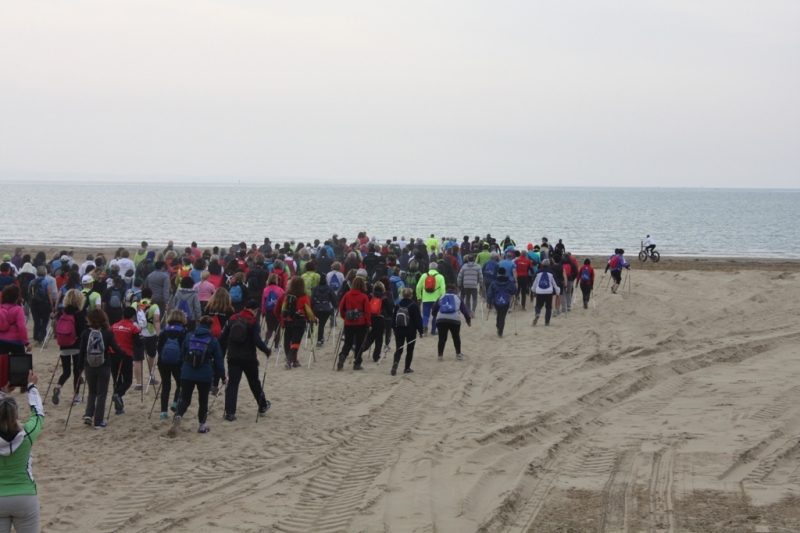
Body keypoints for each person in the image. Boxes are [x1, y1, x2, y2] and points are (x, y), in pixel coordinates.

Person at [168, 316, 227, 437]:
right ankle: (201, 426)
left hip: (187, 372)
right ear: (211, 326)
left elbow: (182, 353)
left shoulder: (189, 336)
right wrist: (223, 377)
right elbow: (218, 361)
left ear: (199, 324)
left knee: (185, 399)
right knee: (203, 400)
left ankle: (178, 416)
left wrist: (181, 367)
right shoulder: (213, 340)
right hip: (204, 374)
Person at [0, 370, 43, 533]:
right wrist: (32, 387)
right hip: (25, 496)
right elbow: (38, 414)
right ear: (17, 416)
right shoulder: (27, 436)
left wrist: (2, 393)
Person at [221, 300, 271, 421]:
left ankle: (230, 413)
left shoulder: (232, 318)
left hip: (232, 356)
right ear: (255, 310)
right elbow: (257, 341)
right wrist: (267, 351)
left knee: (232, 384)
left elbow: (223, 337)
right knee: (254, 382)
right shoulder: (253, 321)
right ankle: (262, 405)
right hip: (249, 358)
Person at [79, 309, 123, 428]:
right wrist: (124, 354)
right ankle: (98, 420)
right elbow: (115, 348)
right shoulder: (107, 333)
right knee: (102, 393)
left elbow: (82, 351)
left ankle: (88, 415)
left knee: (92, 391)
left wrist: (80, 367)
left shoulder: (85, 333)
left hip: (89, 365)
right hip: (104, 365)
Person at [52, 289, 87, 406]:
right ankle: (76, 396)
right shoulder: (79, 313)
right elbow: (83, 332)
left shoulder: (62, 312)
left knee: (66, 371)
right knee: (77, 371)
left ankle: (58, 386)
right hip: (76, 345)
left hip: (63, 344)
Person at [276, 277, 315, 369]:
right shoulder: (304, 297)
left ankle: (289, 359)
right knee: (295, 342)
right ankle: (290, 360)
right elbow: (308, 310)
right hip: (299, 321)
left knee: (287, 340)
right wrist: (314, 319)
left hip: (288, 321)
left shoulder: (287, 295)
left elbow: (283, 309)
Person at [109, 307, 142, 415]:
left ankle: (118, 408)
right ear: (133, 316)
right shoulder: (133, 328)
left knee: (116, 380)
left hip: (113, 354)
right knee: (127, 380)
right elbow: (138, 343)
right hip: (126, 355)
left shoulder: (114, 326)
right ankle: (118, 395)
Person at [156, 310, 188, 419]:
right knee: (180, 383)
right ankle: (175, 403)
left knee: (166, 386)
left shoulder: (164, 331)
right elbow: (185, 348)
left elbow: (159, 347)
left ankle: (163, 412)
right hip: (177, 361)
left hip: (163, 361)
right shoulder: (183, 331)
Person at [336, 276, 371, 371]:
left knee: (348, 341)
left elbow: (341, 307)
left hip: (349, 322)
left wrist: (345, 317)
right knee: (360, 343)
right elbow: (367, 311)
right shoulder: (364, 296)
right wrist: (368, 323)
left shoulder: (347, 294)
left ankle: (343, 355)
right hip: (361, 322)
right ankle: (357, 363)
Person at [431, 284, 471, 360]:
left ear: (446, 290)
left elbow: (434, 308)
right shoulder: (458, 298)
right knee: (456, 336)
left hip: (441, 319)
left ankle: (440, 355)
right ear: (455, 290)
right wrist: (468, 321)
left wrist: (434, 315)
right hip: (454, 319)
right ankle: (458, 354)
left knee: (442, 338)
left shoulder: (441, 297)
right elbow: (465, 311)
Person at [390, 288, 423, 376]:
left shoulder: (398, 305)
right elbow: (418, 320)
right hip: (411, 331)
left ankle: (395, 364)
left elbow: (393, 318)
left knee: (399, 349)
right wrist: (421, 331)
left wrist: (394, 328)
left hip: (399, 330)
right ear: (411, 295)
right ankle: (407, 368)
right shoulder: (414, 305)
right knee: (410, 350)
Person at [133, 288, 161, 391]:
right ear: (151, 295)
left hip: (137, 333)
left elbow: (131, 319)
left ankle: (138, 383)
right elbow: (156, 321)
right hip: (150, 334)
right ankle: (151, 376)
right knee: (152, 355)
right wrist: (158, 334)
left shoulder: (135, 305)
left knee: (137, 359)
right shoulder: (154, 306)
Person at [362, 282, 394, 363]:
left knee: (370, 337)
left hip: (370, 319)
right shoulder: (384, 298)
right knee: (379, 339)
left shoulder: (370, 296)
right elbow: (389, 311)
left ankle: (362, 348)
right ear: (383, 289)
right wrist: (392, 318)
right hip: (380, 319)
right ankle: (376, 356)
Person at [0, 286, 31, 358]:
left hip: (1, 339)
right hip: (15, 340)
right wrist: (26, 343)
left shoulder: (1, 307)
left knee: (2, 365)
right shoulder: (18, 309)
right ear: (16, 297)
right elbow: (21, 327)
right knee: (19, 364)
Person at [487, 267, 518, 337]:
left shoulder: (494, 282)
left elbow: (490, 293)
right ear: (505, 273)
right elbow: (515, 291)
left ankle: (498, 326)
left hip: (496, 301)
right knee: (502, 316)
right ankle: (500, 331)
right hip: (506, 301)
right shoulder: (509, 282)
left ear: (498, 273)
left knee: (499, 313)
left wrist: (489, 302)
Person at [27, 266, 56, 345]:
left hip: (34, 304)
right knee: (45, 320)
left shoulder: (31, 282)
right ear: (44, 273)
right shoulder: (46, 282)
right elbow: (49, 293)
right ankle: (41, 335)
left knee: (36, 321)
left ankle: (36, 336)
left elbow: (29, 293)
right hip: (43, 303)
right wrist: (52, 304)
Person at [416, 262, 445, 335]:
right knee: (435, 315)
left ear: (429, 268)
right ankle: (433, 330)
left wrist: (419, 297)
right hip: (436, 299)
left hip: (426, 299)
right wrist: (442, 298)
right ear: (437, 268)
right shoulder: (440, 276)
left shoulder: (424, 276)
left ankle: (425, 325)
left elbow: (418, 287)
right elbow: (443, 288)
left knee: (425, 314)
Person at [310, 275, 337, 347]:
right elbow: (333, 298)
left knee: (319, 324)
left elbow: (312, 299)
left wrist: (312, 307)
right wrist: (335, 306)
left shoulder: (315, 289)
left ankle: (320, 339)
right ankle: (320, 339)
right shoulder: (329, 288)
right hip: (326, 308)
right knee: (322, 324)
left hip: (317, 308)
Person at [531, 259, 560, 326]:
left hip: (539, 292)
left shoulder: (538, 272)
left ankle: (537, 313)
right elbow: (555, 284)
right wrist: (558, 293)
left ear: (542, 264)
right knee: (548, 307)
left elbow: (535, 283)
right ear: (549, 264)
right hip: (549, 292)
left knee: (538, 305)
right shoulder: (552, 273)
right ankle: (547, 322)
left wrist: (534, 291)